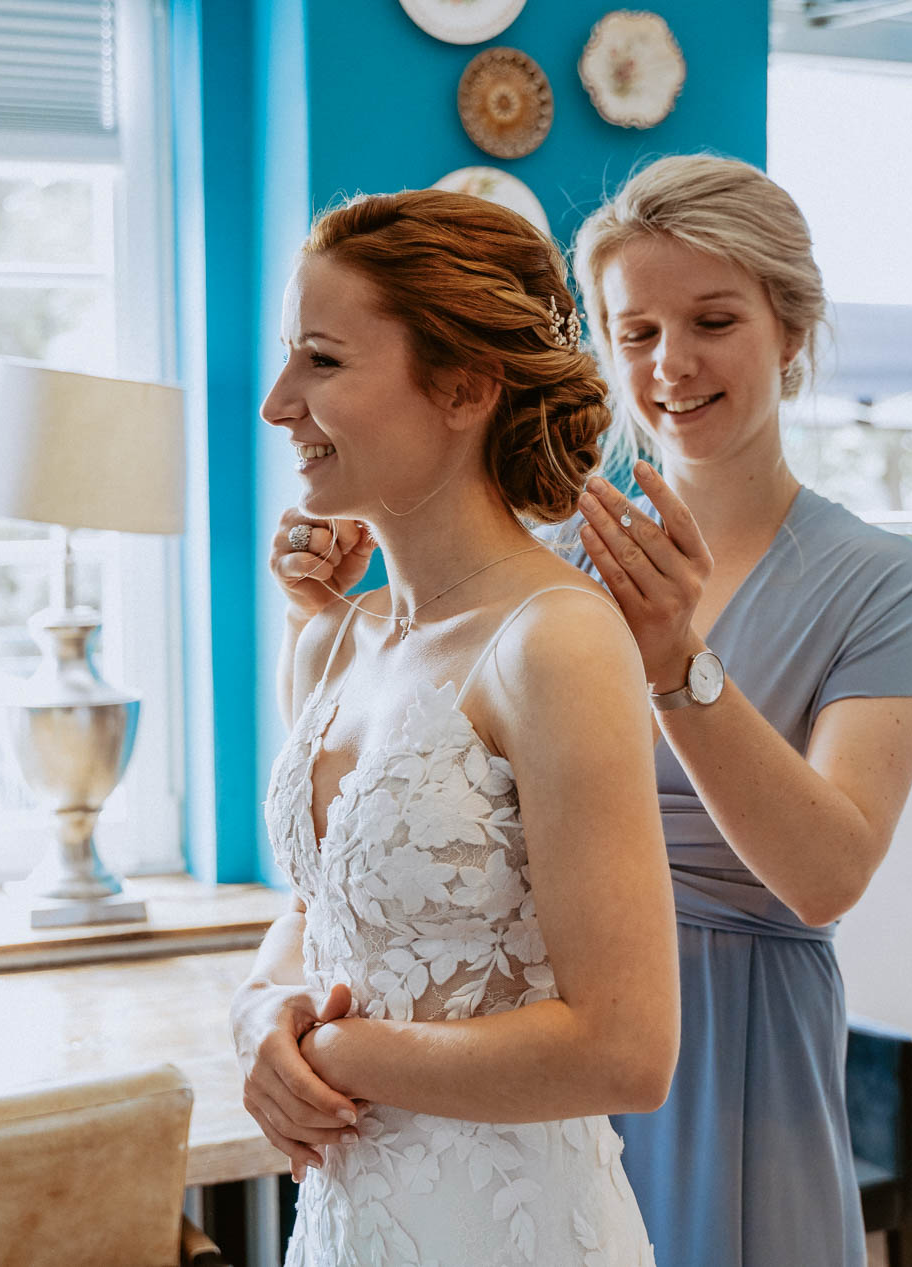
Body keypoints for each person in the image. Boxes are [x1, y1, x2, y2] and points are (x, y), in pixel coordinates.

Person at [231, 189, 680, 1266]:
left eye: (322, 361)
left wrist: (334, 1052)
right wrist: (255, 1016)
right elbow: (322, 915)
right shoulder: (330, 642)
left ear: (465, 386)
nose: (278, 403)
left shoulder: (555, 643)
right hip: (348, 1228)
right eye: (289, 358)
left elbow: (626, 1048)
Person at [560, 153, 912, 1266]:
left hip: (742, 1058)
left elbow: (826, 872)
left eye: (713, 320)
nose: (670, 363)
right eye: (636, 331)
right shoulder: (551, 559)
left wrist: (676, 662)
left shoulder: (882, 583)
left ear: (791, 330)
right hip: (557, 1046)